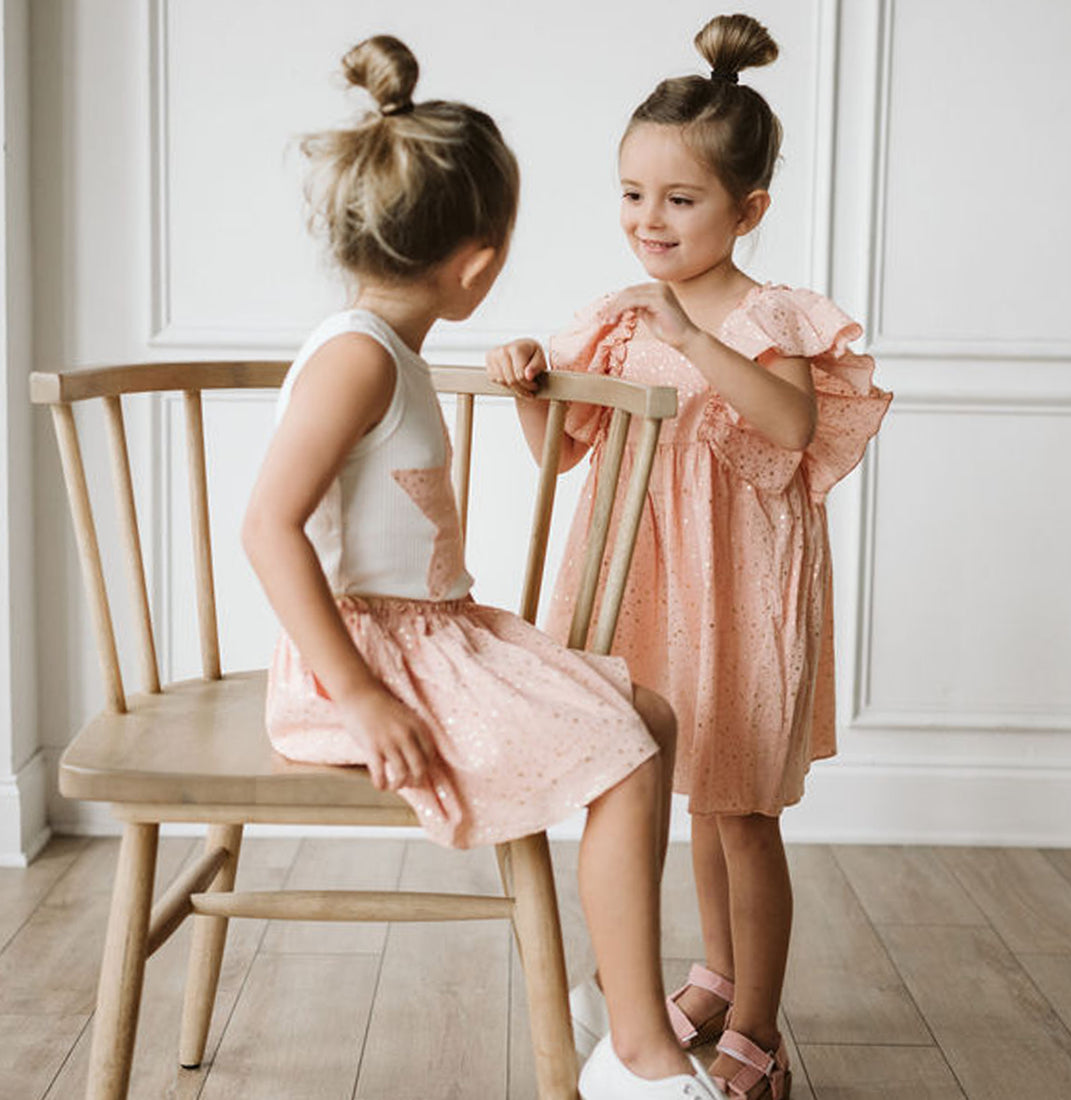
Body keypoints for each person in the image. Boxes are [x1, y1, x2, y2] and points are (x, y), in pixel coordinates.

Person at [241, 33, 725, 1100]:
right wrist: (360, 695)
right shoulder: (358, 356)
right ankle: (639, 1056)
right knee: (622, 747)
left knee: (646, 714)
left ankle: (615, 997)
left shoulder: (385, 348)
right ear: (477, 262)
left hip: (427, 635)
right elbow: (268, 527)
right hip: (364, 662)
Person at [486, 13, 892, 1098]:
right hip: (648, 581)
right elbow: (557, 454)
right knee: (672, 785)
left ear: (744, 209)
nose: (646, 219)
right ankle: (709, 970)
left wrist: (688, 331)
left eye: (679, 198)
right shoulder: (615, 318)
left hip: (745, 585)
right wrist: (535, 381)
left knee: (740, 803)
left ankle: (753, 1023)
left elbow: (793, 425)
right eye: (631, 193)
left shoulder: (769, 314)